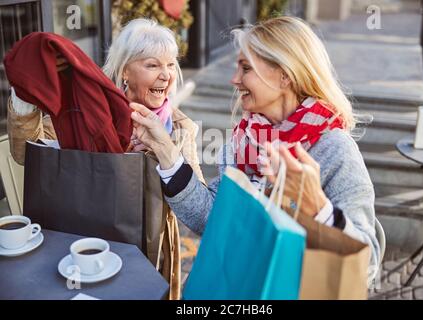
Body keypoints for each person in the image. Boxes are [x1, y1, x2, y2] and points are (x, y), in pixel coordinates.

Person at [130, 16, 381, 280]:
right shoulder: (242, 142)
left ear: (285, 75)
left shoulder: (334, 149)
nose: (234, 80)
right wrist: (165, 148)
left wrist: (318, 207)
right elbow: (210, 218)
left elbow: (368, 265)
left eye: (246, 68)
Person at [7, 18, 203, 299]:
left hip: (153, 252)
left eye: (171, 64)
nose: (166, 75)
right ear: (125, 71)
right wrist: (26, 92)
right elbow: (23, 154)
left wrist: (160, 154)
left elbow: (193, 201)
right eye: (152, 65)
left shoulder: (181, 128)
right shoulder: (85, 112)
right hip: (84, 245)